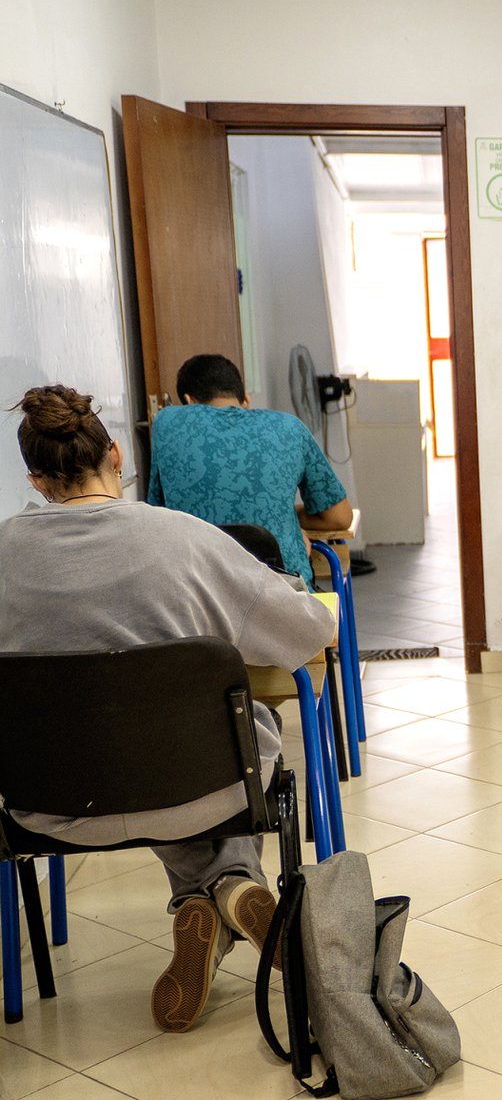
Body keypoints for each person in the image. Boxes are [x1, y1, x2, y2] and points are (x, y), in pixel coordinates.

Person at [0, 385, 336, 1033]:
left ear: (36, 481)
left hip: (52, 809)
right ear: (117, 455)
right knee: (234, 734)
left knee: (135, 747)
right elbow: (305, 634)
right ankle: (232, 882)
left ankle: (202, 898)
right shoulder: (183, 538)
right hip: (199, 794)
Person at [148, 353, 352, 588]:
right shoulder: (290, 428)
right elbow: (339, 517)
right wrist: (289, 520)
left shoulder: (166, 422)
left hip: (197, 592)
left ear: (188, 401)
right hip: (281, 591)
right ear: (245, 400)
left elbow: (158, 514)